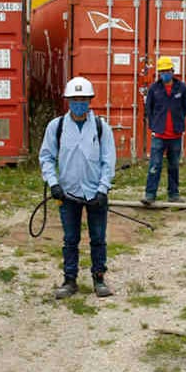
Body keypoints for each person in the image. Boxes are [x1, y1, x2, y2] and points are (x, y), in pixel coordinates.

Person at [40, 77, 117, 299]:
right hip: (68, 194)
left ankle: (99, 278)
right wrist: (53, 183)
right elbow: (46, 157)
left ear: (90, 100)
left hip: (95, 194)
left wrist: (103, 189)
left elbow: (108, 160)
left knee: (98, 238)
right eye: (75, 99)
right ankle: (70, 280)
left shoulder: (102, 128)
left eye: (83, 99)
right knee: (70, 239)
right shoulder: (57, 127)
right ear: (68, 101)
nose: (79, 103)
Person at [142, 56, 186, 205]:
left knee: (174, 166)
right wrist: (154, 126)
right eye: (162, 72)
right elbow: (148, 109)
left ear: (172, 71)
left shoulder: (181, 88)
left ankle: (173, 194)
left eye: (167, 71)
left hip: (175, 135)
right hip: (159, 134)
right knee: (154, 165)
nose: (165, 74)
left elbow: (185, 107)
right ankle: (150, 195)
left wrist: (178, 122)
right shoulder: (154, 89)